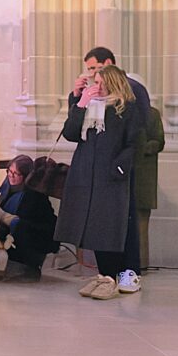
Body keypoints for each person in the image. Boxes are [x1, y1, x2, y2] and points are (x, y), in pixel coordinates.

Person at [57, 66, 142, 300]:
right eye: (95, 81)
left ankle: (111, 276)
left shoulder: (126, 108)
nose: (98, 86)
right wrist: (80, 101)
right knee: (91, 226)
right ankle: (103, 276)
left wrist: (119, 167)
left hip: (111, 175)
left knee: (108, 226)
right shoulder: (89, 106)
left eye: (101, 82)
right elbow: (71, 133)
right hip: (86, 173)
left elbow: (134, 142)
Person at [0, 155, 58, 280]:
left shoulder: (33, 196)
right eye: (9, 172)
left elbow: (20, 225)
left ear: (26, 175)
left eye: (16, 174)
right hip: (7, 233)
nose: (11, 176)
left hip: (27, 243)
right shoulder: (8, 185)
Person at [133, 95, 165, 269]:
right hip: (120, 175)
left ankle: (141, 264)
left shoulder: (151, 114)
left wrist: (138, 148)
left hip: (143, 175)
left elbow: (158, 141)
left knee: (140, 222)